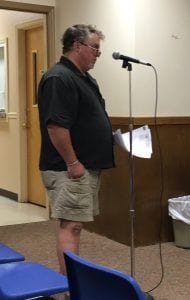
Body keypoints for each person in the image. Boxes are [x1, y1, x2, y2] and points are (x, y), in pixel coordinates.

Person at [38, 24, 115, 276]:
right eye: (95, 49)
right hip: (69, 168)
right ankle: (71, 287)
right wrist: (73, 164)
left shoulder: (84, 78)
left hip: (83, 166)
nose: (97, 55)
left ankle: (73, 284)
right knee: (71, 226)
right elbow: (56, 126)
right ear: (77, 45)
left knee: (75, 224)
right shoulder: (59, 77)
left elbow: (86, 120)